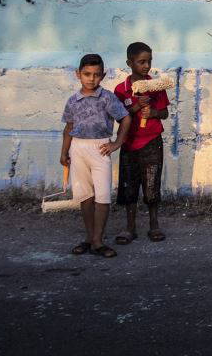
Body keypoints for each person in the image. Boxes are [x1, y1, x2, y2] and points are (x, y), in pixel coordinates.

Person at [60, 54, 131, 258]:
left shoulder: (107, 97)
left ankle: (98, 241)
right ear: (78, 74)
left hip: (100, 148)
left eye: (96, 74)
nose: (91, 79)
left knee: (102, 196)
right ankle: (90, 238)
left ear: (103, 75)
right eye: (87, 74)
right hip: (78, 148)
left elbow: (126, 118)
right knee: (85, 195)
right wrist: (64, 152)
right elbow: (69, 127)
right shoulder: (73, 101)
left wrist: (116, 143)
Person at [112, 42, 169, 245]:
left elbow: (165, 113)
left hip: (152, 141)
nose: (146, 66)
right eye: (141, 62)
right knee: (129, 186)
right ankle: (130, 227)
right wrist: (136, 107)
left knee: (152, 185)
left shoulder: (156, 87)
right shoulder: (121, 90)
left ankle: (154, 224)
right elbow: (118, 117)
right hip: (129, 143)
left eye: (149, 61)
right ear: (130, 63)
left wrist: (153, 112)